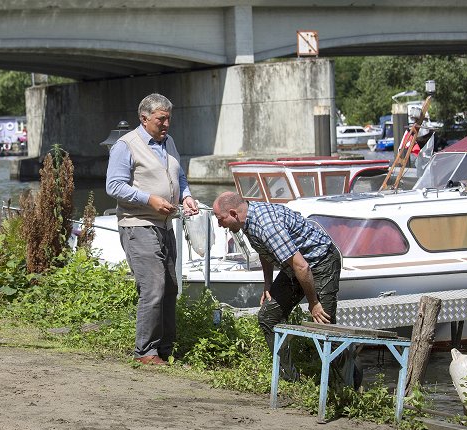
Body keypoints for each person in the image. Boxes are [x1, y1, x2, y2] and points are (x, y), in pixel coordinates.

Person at [106, 93, 198, 365]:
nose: (167, 123)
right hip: (139, 224)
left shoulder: (168, 142)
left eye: (169, 118)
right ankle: (145, 352)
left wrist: (186, 195)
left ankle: (165, 349)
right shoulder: (126, 145)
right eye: (161, 119)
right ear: (144, 119)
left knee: (170, 287)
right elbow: (114, 186)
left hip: (165, 224)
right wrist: (151, 200)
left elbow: (178, 176)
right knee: (154, 287)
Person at [212, 191, 341, 372]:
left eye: (221, 219)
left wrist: (313, 303)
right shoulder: (248, 220)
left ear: (233, 213)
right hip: (296, 266)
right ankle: (289, 379)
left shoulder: (266, 226)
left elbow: (302, 267)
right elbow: (265, 250)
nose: (219, 224)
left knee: (324, 327)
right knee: (268, 317)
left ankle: (345, 387)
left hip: (321, 261)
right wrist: (268, 284)